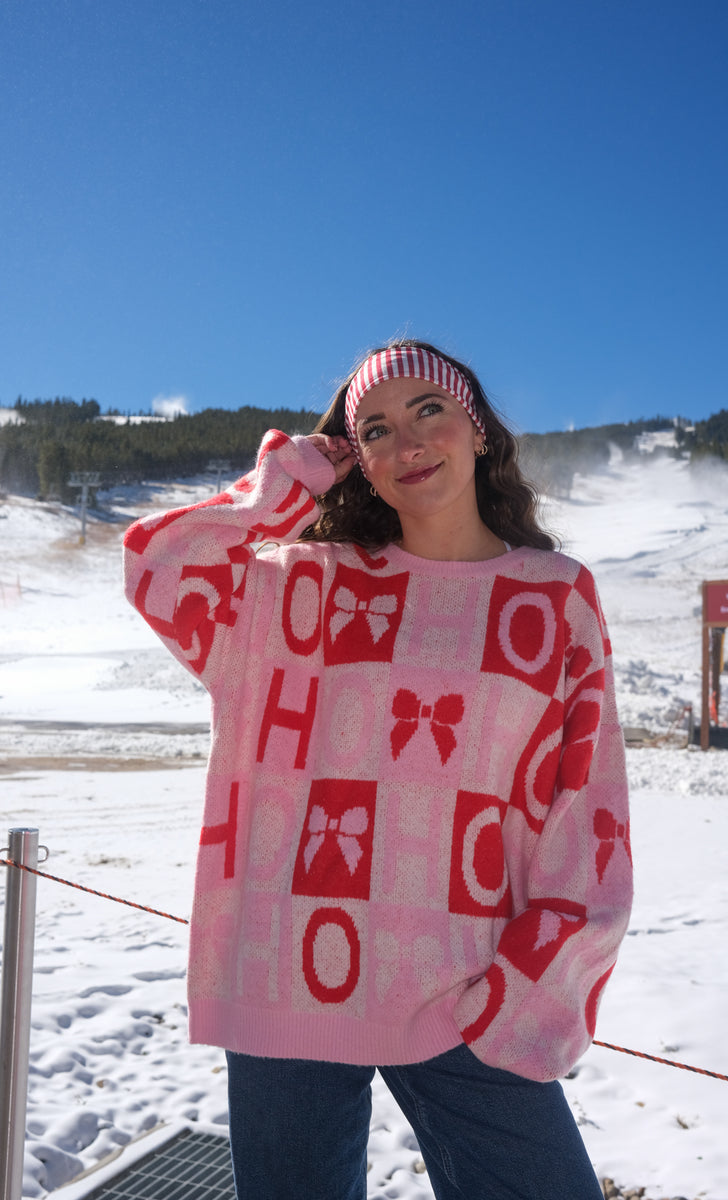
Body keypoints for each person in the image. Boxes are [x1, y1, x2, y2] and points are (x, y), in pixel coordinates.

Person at [123, 339, 633, 1199]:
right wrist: (293, 477)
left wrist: (533, 984)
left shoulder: (552, 596)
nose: (408, 443)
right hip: (289, 975)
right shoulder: (299, 585)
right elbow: (159, 568)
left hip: (469, 987)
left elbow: (585, 805)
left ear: (476, 428)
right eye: (376, 428)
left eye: (428, 410)